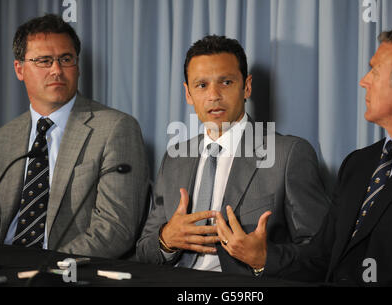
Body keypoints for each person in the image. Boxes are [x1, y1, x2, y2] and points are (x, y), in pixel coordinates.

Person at [136, 35, 329, 277]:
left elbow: (321, 254)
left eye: (226, 82)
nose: (214, 95)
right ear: (188, 94)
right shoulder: (175, 158)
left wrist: (263, 259)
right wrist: (166, 240)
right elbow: (144, 252)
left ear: (246, 86)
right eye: (202, 85)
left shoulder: (288, 155)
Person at [281, 24, 392, 286]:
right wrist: (261, 259)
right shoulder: (358, 164)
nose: (364, 81)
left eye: (375, 70)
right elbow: (319, 259)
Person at [0, 14, 149, 258]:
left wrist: (45, 267)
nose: (56, 70)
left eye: (65, 59)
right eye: (44, 61)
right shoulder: (3, 139)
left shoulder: (116, 128)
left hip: (65, 270)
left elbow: (116, 229)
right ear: (19, 69)